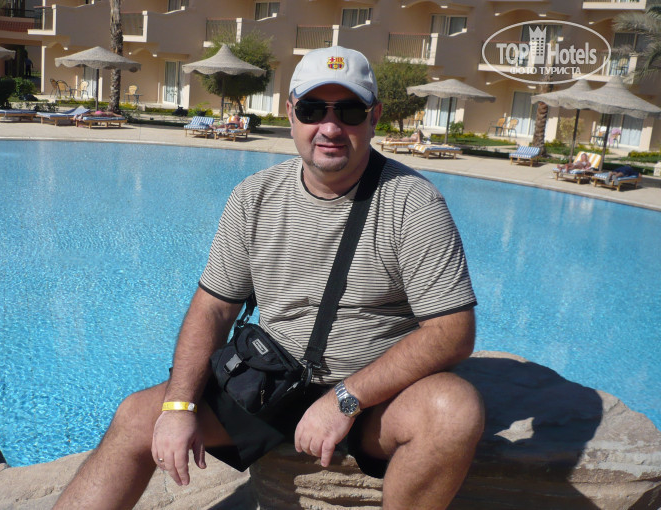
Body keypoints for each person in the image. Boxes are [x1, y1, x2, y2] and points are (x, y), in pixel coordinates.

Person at [54, 46, 484, 510]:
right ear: (291, 113)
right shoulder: (255, 197)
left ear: (374, 117)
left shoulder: (413, 204)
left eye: (349, 111)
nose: (330, 128)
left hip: (376, 401)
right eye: (313, 110)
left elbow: (452, 331)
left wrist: (345, 398)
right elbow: (214, 307)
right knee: (136, 417)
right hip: (272, 385)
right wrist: (179, 407)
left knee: (453, 412)